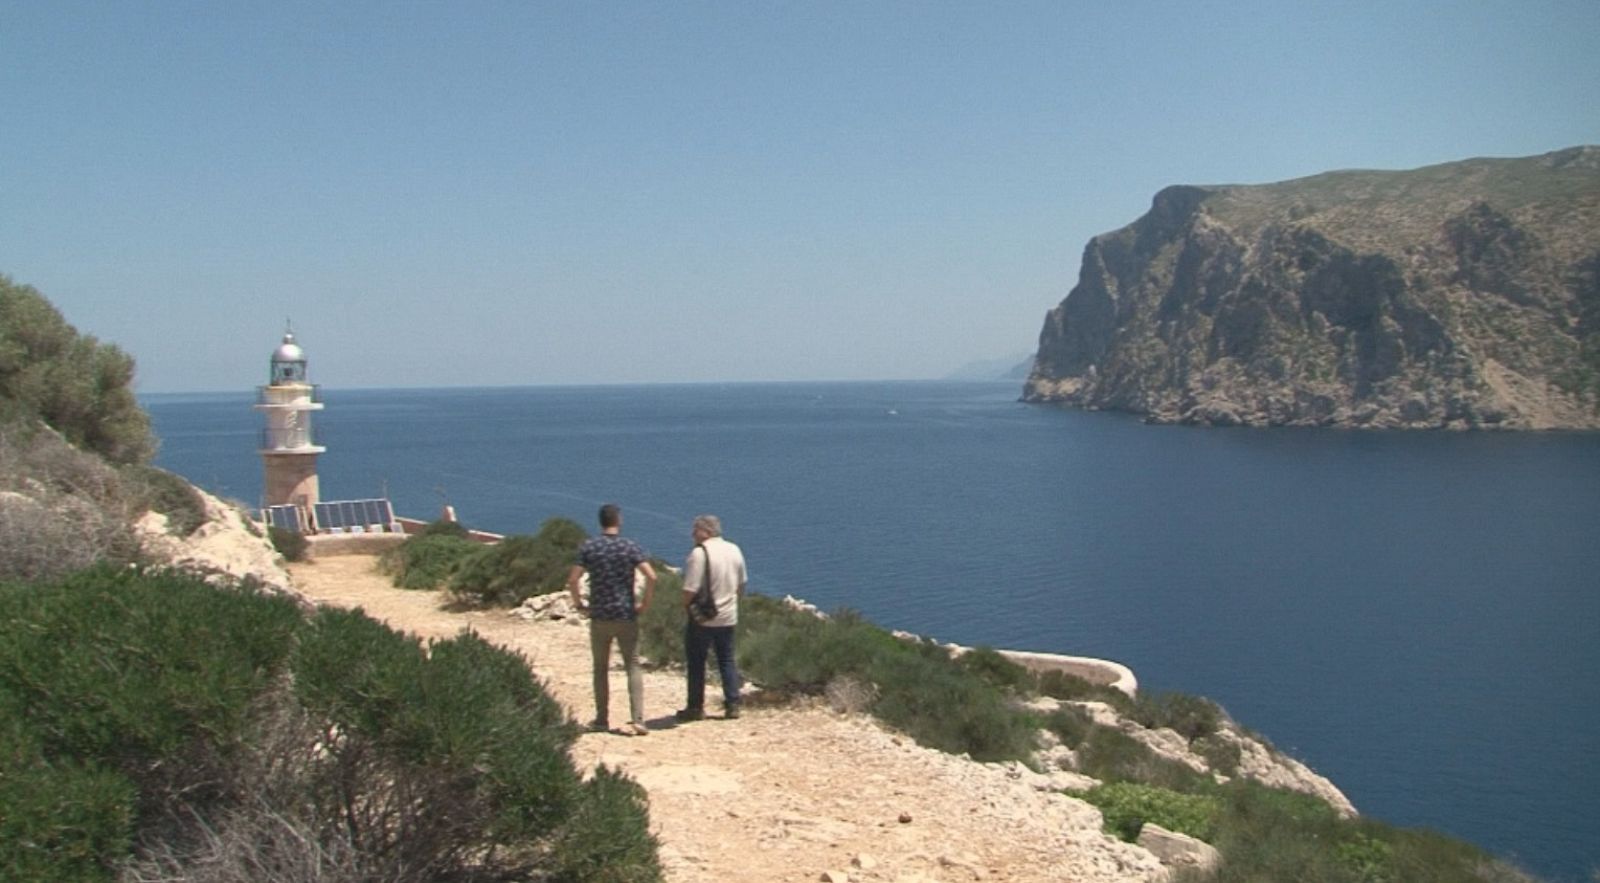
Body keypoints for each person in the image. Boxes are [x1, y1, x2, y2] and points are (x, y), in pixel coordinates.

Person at [567, 503, 656, 736]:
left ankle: (601, 719)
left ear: (601, 521)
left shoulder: (590, 547)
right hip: (626, 614)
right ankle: (638, 719)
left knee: (600, 668)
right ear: (619, 521)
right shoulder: (629, 547)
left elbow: (573, 579)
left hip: (600, 616)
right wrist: (644, 603)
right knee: (632, 666)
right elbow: (652, 576)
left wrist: (579, 604)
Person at [676, 514, 748, 722]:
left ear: (705, 531)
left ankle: (695, 707)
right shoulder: (734, 549)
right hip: (728, 616)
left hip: (703, 617)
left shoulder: (699, 554)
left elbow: (690, 589)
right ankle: (733, 704)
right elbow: (742, 584)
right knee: (726, 659)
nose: (692, 534)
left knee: (697, 661)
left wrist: (685, 606)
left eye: (695, 529)